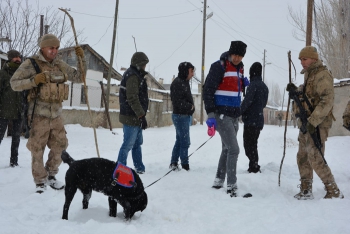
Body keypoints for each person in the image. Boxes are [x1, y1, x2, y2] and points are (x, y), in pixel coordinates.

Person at [10, 34, 85, 193]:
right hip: (38, 115)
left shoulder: (59, 64)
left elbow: (79, 77)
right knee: (37, 149)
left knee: (60, 146)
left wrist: (81, 59)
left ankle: (51, 174)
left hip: (56, 116)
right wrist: (34, 80)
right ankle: (40, 181)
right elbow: (14, 84)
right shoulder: (31, 64)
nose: (54, 51)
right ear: (43, 47)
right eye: (51, 48)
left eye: (57, 48)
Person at [286, 46, 344, 199]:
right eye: (300, 60)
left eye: (304, 59)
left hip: (317, 123)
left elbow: (327, 100)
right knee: (303, 156)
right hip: (306, 122)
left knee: (315, 157)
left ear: (314, 59)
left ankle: (333, 190)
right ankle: (306, 189)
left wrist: (313, 121)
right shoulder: (310, 75)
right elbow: (308, 96)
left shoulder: (322, 75)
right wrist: (296, 91)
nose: (302, 62)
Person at [203, 40, 249, 196]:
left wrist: (242, 84)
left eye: (240, 56)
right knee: (234, 149)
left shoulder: (240, 69)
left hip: (234, 115)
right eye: (235, 55)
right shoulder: (219, 66)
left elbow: (230, 88)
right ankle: (232, 185)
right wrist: (210, 114)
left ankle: (218, 180)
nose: (237, 58)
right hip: (221, 115)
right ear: (230, 53)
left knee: (226, 148)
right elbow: (207, 90)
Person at [117, 52, 149, 174]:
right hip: (131, 117)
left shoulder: (137, 75)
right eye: (144, 64)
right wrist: (141, 115)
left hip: (136, 117)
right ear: (138, 64)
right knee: (127, 145)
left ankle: (139, 167)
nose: (145, 67)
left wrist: (141, 116)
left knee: (137, 143)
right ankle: (120, 170)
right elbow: (132, 98)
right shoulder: (132, 76)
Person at [240, 62, 268, 173]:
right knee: (253, 144)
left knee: (248, 145)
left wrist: (238, 111)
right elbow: (264, 104)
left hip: (250, 120)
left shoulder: (252, 86)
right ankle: (253, 164)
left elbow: (247, 102)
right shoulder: (264, 86)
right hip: (259, 120)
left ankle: (254, 166)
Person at [169, 62, 195, 171]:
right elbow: (177, 101)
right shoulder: (177, 83)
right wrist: (190, 106)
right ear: (185, 71)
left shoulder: (184, 82)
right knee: (185, 141)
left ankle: (174, 162)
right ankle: (185, 165)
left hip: (184, 116)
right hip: (180, 116)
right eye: (191, 71)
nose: (193, 74)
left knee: (180, 140)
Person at [0, 50, 23, 167]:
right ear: (10, 58)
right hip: (3, 111)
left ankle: (14, 161)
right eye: (15, 57)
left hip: (18, 111)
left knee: (16, 139)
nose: (18, 59)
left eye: (19, 57)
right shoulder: (3, 73)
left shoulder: (22, 74)